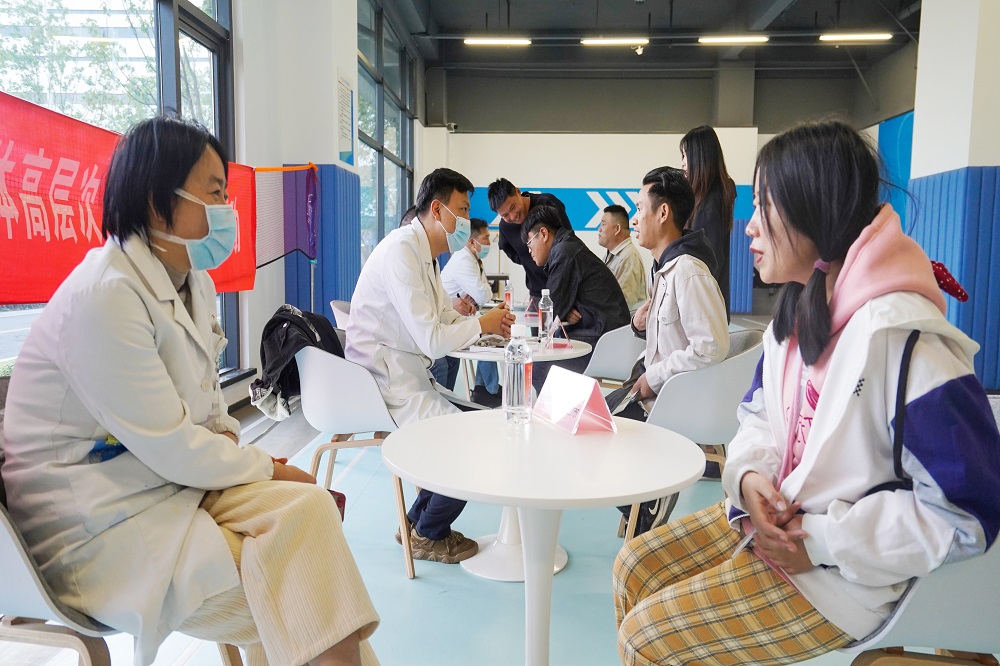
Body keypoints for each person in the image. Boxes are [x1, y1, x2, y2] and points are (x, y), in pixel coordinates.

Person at [614, 120, 1000, 666]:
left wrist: (820, 541)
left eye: (764, 207)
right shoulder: (797, 310)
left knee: (645, 640)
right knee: (633, 566)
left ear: (815, 209)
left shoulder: (905, 339)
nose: (749, 226)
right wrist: (748, 477)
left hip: (841, 577)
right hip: (776, 525)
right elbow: (758, 416)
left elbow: (967, 515)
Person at [0, 116, 380, 666]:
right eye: (216, 193)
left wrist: (246, 456)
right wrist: (270, 469)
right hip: (92, 525)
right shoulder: (104, 297)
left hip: (166, 485)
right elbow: (174, 444)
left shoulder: (191, 281)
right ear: (159, 205)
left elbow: (205, 410)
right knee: (310, 582)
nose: (228, 209)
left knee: (312, 514)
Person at [346, 167, 515, 564]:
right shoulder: (402, 251)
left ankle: (415, 525)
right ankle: (428, 533)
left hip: (406, 373)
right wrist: (481, 325)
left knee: (479, 423)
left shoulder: (426, 256)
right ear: (437, 210)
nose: (466, 221)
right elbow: (434, 341)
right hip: (386, 381)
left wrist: (485, 326)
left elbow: (444, 317)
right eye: (462, 209)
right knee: (472, 441)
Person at [606, 166, 729, 535]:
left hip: (673, 399)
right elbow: (669, 336)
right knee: (588, 421)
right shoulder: (665, 268)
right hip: (656, 389)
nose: (635, 218)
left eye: (639, 208)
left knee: (599, 431)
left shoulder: (689, 271)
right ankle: (642, 502)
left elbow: (711, 347)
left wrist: (654, 377)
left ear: (663, 212)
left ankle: (650, 499)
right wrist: (639, 324)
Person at [522, 205, 630, 386]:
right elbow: (558, 307)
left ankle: (561, 406)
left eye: (529, 243)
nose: (529, 251)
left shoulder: (564, 252)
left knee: (538, 367)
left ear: (543, 234)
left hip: (603, 341)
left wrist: (563, 310)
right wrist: (565, 310)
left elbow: (552, 309)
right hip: (600, 332)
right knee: (544, 353)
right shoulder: (567, 246)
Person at [439, 217, 501, 406]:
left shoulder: (474, 260)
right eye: (485, 238)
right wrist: (482, 292)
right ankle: (486, 390)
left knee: (490, 335)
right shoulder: (463, 260)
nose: (489, 243)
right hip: (448, 320)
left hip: (463, 315)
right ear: (472, 242)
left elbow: (485, 292)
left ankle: (486, 388)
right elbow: (483, 295)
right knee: (487, 333)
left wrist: (482, 292)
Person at [680, 125, 737, 319]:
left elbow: (707, 264)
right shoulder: (707, 198)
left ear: (700, 157)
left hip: (702, 310)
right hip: (705, 307)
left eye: (686, 155)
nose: (683, 163)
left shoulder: (709, 205)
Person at [488, 177, 572, 304]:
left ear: (517, 191)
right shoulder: (505, 227)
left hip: (566, 290)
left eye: (513, 207)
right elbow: (508, 250)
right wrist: (529, 260)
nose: (513, 216)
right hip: (538, 293)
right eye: (505, 215)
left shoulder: (547, 203)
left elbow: (569, 241)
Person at [597, 204, 648, 310]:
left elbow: (622, 306)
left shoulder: (629, 258)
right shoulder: (612, 254)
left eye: (603, 224)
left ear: (617, 229)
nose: (599, 229)